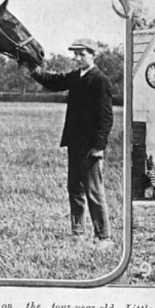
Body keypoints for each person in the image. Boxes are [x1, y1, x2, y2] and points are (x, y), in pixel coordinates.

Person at [29, 37, 114, 245]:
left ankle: (104, 237)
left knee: (93, 192)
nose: (77, 58)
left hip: (91, 147)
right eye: (75, 54)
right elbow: (54, 81)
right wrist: (33, 71)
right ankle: (78, 233)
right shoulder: (75, 76)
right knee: (74, 189)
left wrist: (99, 146)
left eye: (81, 54)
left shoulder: (101, 80)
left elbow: (106, 117)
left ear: (93, 55)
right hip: (74, 144)